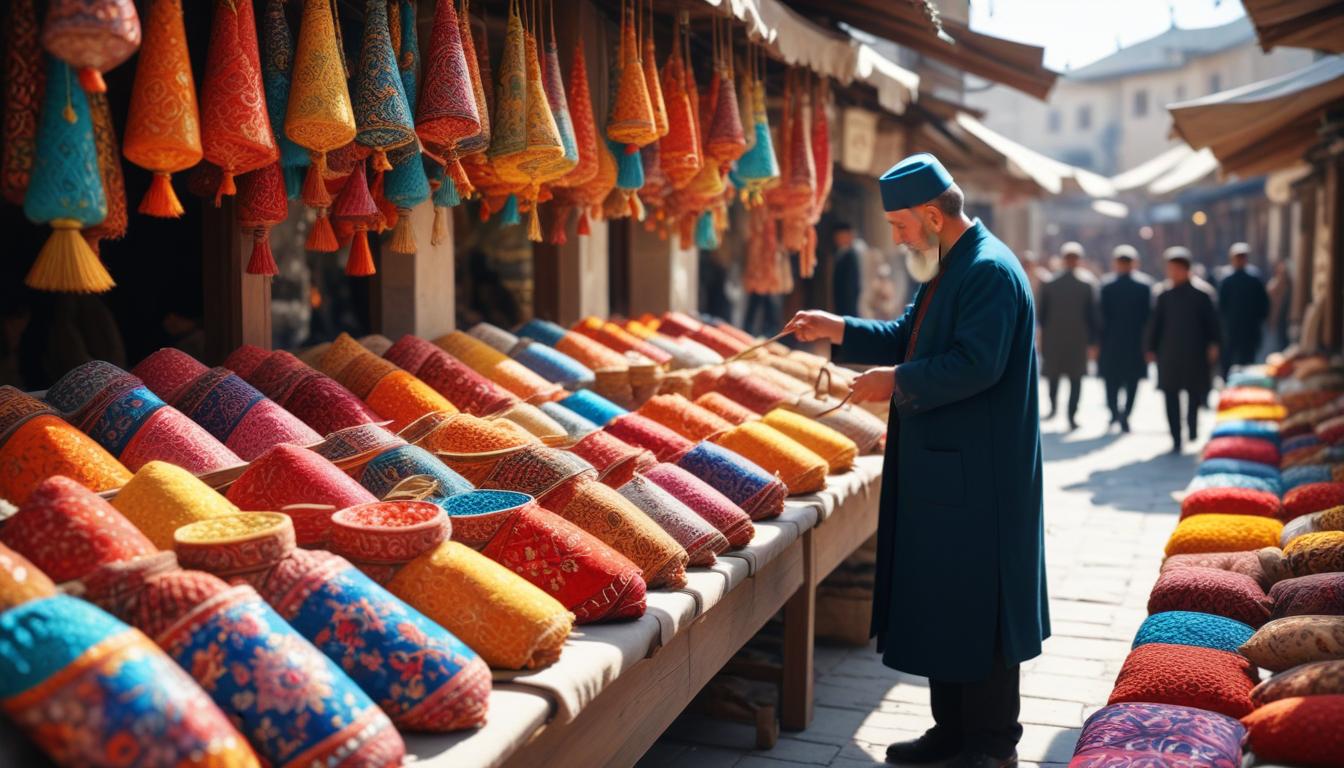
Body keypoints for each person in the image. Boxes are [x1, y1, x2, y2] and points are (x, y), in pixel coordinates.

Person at [787, 153, 1047, 768]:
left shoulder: (987, 271)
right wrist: (838, 328)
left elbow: (976, 365)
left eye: (901, 225)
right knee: (943, 599)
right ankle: (949, 732)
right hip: (947, 468)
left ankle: (989, 745)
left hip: (981, 474)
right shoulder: (947, 264)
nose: (896, 237)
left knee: (977, 606)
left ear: (932, 215)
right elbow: (911, 333)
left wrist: (895, 381)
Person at [1147, 247, 1221, 454]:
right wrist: (1150, 348)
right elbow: (1155, 324)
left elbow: (1213, 324)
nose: (1171, 273)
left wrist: (1214, 344)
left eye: (1175, 269)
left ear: (1185, 269)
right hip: (1168, 352)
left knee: (1194, 391)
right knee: (1170, 394)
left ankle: (1192, 427)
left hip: (1194, 351)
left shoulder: (1202, 294)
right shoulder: (1164, 295)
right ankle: (1176, 436)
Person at [1037, 242, 1098, 430]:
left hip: (1056, 339)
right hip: (1075, 340)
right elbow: (1093, 317)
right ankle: (1070, 414)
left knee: (1057, 376)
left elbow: (1041, 315)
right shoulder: (1086, 284)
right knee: (1074, 378)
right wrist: (1093, 342)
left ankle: (1057, 409)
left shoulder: (1051, 283)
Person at [1098, 245, 1152, 433]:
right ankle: (1123, 414)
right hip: (1134, 342)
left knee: (1112, 381)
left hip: (1112, 341)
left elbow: (1100, 317)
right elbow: (1148, 317)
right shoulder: (1143, 286)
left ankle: (1116, 413)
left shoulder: (1107, 286)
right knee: (1131, 381)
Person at [1216, 242, 1269, 378]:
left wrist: (1258, 321)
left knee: (1247, 362)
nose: (1240, 260)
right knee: (1228, 361)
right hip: (1231, 329)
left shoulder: (1254, 279)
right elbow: (1221, 306)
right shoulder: (1227, 280)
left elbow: (1263, 304)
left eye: (1242, 257)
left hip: (1249, 328)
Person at [832, 222, 864, 317]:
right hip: (843, 305)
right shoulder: (841, 253)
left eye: (841, 236)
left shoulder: (851, 255)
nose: (838, 239)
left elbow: (852, 285)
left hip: (850, 305)